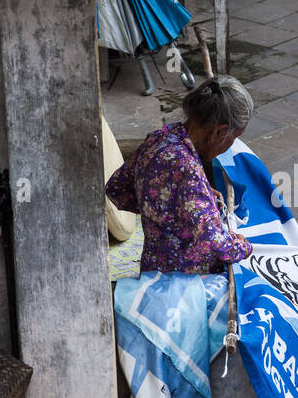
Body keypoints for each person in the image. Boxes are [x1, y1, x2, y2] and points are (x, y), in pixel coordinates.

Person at [105, 76, 255, 274]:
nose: (231, 145)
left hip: (152, 271)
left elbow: (116, 188)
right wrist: (244, 247)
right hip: (184, 284)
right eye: (234, 138)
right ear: (220, 131)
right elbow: (213, 242)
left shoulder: (160, 138)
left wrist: (165, 207)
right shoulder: (186, 171)